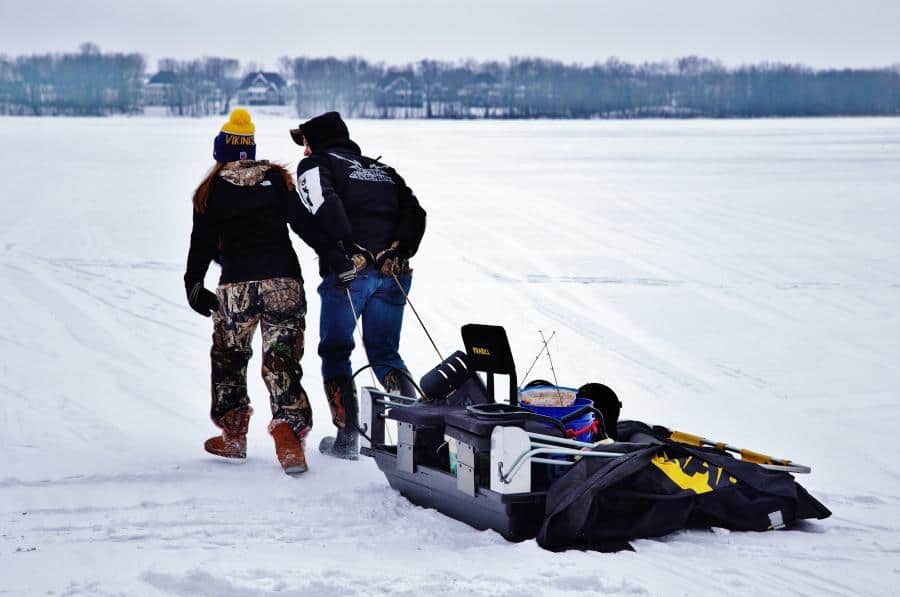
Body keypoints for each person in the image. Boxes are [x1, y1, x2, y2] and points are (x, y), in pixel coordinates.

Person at [288, 111, 426, 460]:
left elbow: (324, 201)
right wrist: (399, 249)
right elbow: (416, 213)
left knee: (336, 351)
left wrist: (347, 247)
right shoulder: (382, 170)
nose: (304, 150)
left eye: (305, 141)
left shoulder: (317, 164)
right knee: (385, 353)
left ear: (316, 140)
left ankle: (347, 437)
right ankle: (419, 435)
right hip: (394, 273)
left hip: (351, 274)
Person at [184, 108, 312, 475]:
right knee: (282, 360)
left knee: (229, 356)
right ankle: (288, 438)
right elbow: (305, 226)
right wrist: (336, 255)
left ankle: (234, 435)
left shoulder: (209, 190)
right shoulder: (277, 179)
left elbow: (202, 244)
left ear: (221, 150)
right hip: (284, 285)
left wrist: (193, 283)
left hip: (236, 288)